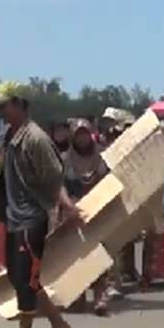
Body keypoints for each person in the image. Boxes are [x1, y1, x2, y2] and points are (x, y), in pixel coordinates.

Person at [0, 82, 78, 328]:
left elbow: (55, 177)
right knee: (20, 277)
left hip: (31, 220)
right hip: (14, 217)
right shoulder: (9, 135)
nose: (0, 111)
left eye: (5, 105)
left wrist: (66, 205)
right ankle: (60, 326)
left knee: (26, 283)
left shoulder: (35, 138)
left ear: (22, 104)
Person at [64, 118, 115, 314]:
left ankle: (100, 295)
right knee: (76, 255)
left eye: (85, 133)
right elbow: (58, 185)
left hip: (99, 209)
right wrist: (69, 205)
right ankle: (78, 295)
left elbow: (113, 177)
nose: (82, 138)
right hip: (73, 211)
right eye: (78, 134)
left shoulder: (103, 155)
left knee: (99, 252)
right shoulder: (65, 158)